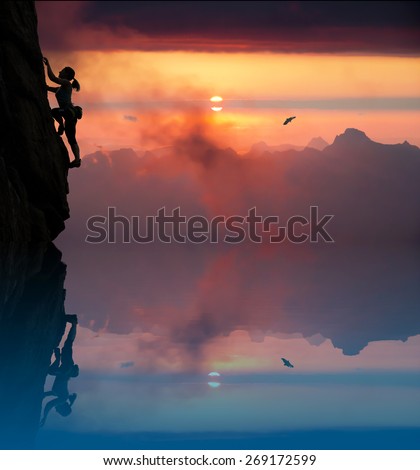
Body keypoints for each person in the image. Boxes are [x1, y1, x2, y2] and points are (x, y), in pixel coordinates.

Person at [39, 314, 79, 427]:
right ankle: (74, 323)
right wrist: (44, 418)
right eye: (59, 411)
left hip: (65, 369)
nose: (56, 411)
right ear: (62, 407)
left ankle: (57, 357)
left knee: (66, 347)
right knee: (68, 345)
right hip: (66, 369)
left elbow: (49, 394)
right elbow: (49, 405)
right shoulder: (62, 399)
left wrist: (42, 395)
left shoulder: (61, 396)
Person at [43, 57, 82, 168]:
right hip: (68, 114)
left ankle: (61, 126)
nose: (60, 71)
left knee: (54, 111)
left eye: (62, 70)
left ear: (66, 75)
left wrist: (48, 64)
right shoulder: (62, 87)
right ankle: (77, 159)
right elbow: (51, 88)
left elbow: (52, 78)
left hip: (68, 112)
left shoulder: (66, 84)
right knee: (71, 137)